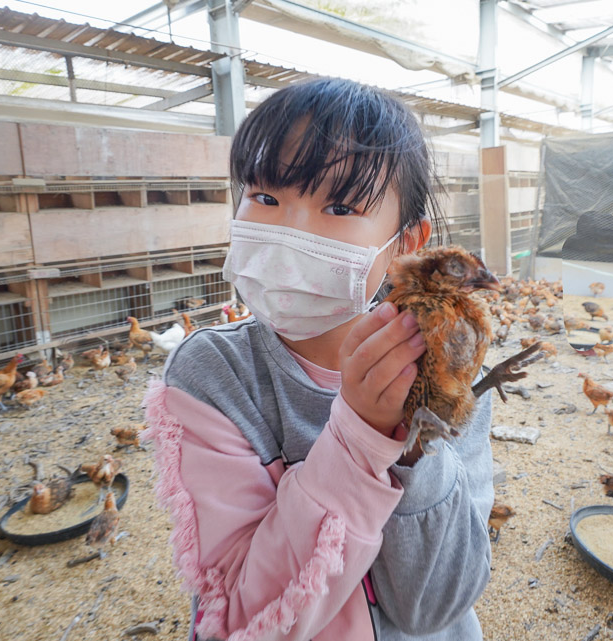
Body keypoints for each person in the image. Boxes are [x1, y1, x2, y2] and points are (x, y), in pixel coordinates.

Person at [140, 77, 496, 641]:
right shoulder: (213, 377)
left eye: (338, 205)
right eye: (265, 197)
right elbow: (240, 618)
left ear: (406, 242)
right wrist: (358, 439)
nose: (289, 230)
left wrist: (417, 440)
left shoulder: (449, 374)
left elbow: (436, 607)